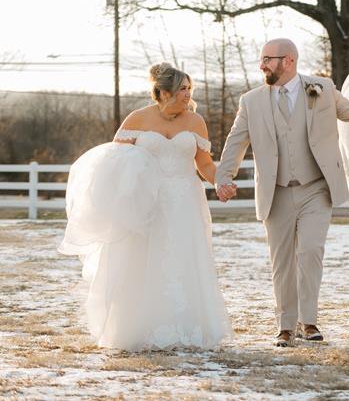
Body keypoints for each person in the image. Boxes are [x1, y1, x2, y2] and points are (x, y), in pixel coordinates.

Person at [215, 38, 349, 347]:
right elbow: (236, 141)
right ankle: (285, 326)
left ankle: (308, 322)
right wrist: (223, 176)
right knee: (282, 262)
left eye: (267, 59)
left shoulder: (321, 89)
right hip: (276, 192)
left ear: (289, 61)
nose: (262, 65)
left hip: (315, 189)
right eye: (262, 59)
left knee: (310, 251)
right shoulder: (251, 101)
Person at [59, 62, 232, 351]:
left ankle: (186, 326)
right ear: (163, 92)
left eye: (189, 88)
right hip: (148, 202)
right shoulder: (137, 119)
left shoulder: (195, 122)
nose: (188, 94)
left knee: (183, 259)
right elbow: (116, 162)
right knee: (143, 261)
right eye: (182, 89)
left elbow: (204, 164)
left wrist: (220, 182)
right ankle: (142, 327)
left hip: (185, 201)